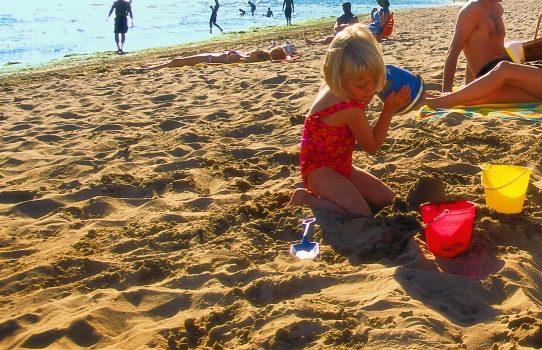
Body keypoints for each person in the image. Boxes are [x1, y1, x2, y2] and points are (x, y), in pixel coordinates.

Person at [290, 24, 407, 218]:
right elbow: (372, 147)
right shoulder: (350, 109)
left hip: (342, 166)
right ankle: (307, 199)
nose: (370, 89)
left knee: (389, 200)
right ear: (341, 77)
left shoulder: (336, 84)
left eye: (375, 80)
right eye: (362, 85)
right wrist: (389, 109)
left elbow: (361, 82)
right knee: (361, 214)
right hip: (320, 172)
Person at [441, 0, 509, 92]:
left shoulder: (498, 9)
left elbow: (477, 48)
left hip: (504, 70)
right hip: (491, 78)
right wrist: (446, 92)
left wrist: (468, 84)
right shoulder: (471, 11)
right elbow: (453, 52)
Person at [134, 43, 291, 70]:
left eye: (257, 52)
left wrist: (207, 65)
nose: (255, 50)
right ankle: (151, 67)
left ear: (258, 57)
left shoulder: (243, 60)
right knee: (176, 61)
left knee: (176, 61)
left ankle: (149, 69)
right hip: (209, 57)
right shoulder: (247, 57)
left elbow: (222, 65)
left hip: (208, 59)